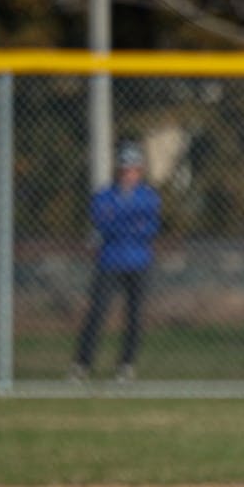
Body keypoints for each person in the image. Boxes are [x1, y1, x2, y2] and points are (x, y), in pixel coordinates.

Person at [70, 142, 161, 383]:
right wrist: (130, 223)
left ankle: (126, 365)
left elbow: (149, 227)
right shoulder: (104, 195)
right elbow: (103, 224)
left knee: (134, 316)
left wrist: (122, 221)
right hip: (110, 261)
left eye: (133, 169)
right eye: (124, 168)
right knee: (97, 313)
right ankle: (82, 364)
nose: (128, 173)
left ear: (139, 171)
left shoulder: (148, 196)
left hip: (138, 262)